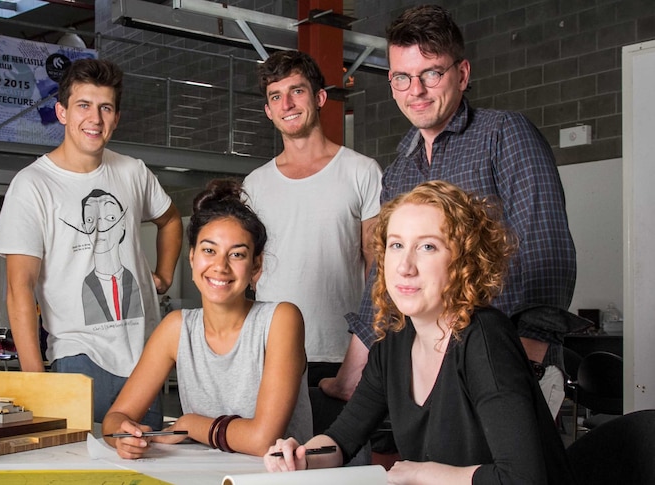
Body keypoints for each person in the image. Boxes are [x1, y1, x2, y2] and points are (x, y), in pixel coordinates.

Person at [321, 4, 577, 420]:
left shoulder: (503, 135)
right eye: (402, 77)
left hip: (500, 362)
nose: (415, 90)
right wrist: (353, 373)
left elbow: (544, 251)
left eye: (431, 73)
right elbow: (386, 277)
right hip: (430, 371)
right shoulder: (401, 169)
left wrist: (523, 363)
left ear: (462, 74)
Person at [265, 180, 573, 485]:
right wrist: (303, 455)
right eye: (396, 245)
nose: (405, 266)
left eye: (427, 246)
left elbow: (522, 478)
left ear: (464, 261)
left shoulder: (484, 337)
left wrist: (420, 472)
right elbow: (342, 439)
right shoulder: (393, 342)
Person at [0, 58, 183, 427]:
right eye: (83, 106)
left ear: (116, 117)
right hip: (79, 356)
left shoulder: (132, 171)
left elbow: (170, 219)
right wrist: (35, 381)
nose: (95, 118)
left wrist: (164, 275)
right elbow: (19, 288)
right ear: (61, 112)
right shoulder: (32, 185)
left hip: (146, 355)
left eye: (105, 108)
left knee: (148, 469)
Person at [103, 179, 312, 459]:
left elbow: (264, 440)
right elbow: (115, 419)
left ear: (256, 266)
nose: (220, 266)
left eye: (237, 254)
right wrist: (124, 436)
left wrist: (190, 425)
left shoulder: (281, 320)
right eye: (209, 250)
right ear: (191, 257)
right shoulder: (177, 328)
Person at [242, 50, 383, 391]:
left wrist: (370, 347)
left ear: (319, 97)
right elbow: (249, 268)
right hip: (271, 351)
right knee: (271, 446)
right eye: (276, 96)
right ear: (268, 110)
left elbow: (378, 266)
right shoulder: (254, 185)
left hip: (342, 352)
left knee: (340, 446)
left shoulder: (361, 171)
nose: (286, 103)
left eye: (297, 91)